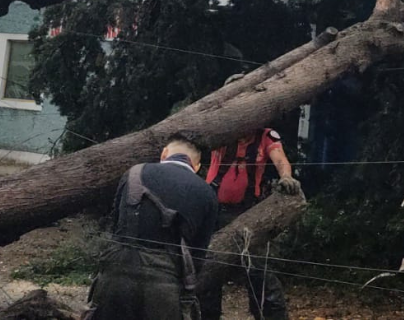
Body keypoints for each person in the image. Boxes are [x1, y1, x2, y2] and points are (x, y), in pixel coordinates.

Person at [199, 74, 301, 320]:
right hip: (211, 210)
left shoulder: (267, 136)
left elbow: (280, 160)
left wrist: (286, 177)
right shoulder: (220, 131)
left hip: (247, 214)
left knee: (257, 272)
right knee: (207, 270)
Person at [86, 132, 218, 320]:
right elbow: (198, 254)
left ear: (164, 153)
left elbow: (114, 225)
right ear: (196, 167)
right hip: (164, 287)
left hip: (116, 277)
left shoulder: (134, 173)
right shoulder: (207, 193)